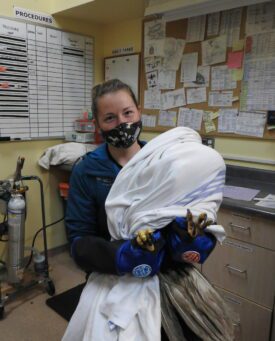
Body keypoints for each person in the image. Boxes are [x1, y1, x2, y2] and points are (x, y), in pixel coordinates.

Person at [65, 79, 223, 340]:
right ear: (98, 125)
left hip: (173, 280)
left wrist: (190, 238)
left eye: (128, 113)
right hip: (113, 277)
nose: (122, 123)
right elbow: (78, 242)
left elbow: (192, 209)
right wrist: (121, 256)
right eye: (110, 118)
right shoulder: (86, 171)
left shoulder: (167, 162)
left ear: (139, 112)